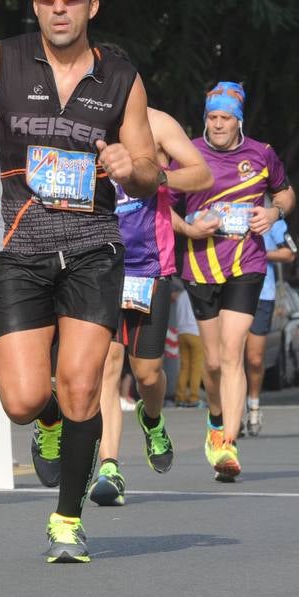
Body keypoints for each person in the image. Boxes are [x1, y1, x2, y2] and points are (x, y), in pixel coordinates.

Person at [0, 0, 160, 563]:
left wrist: (131, 168)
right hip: (19, 248)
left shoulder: (122, 79)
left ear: (93, 4)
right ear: (35, 2)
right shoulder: (1, 60)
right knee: (20, 399)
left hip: (94, 246)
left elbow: (147, 168)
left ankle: (67, 519)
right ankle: (45, 424)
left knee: (81, 386)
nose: (59, 7)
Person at [89, 103, 212, 507]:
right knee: (106, 368)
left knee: (147, 373)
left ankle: (152, 418)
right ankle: (109, 467)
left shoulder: (157, 122)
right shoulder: (80, 121)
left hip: (148, 267)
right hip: (97, 262)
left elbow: (202, 173)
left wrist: (156, 175)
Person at [174, 82, 295, 480]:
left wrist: (273, 215)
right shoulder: (187, 154)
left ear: (238, 120)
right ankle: (215, 418)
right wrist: (190, 231)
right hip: (200, 266)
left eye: (225, 118)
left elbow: (286, 194)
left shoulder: (261, 154)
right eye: (212, 117)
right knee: (211, 362)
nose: (218, 125)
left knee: (232, 351)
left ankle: (228, 442)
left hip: (247, 263)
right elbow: (165, 209)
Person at [241, 210, 296, 436]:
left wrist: (257, 252)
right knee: (231, 356)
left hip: (262, 293)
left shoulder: (270, 217)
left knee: (254, 358)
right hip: (229, 291)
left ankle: (253, 405)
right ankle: (232, 414)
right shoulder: (222, 208)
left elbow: (289, 253)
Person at [171, 280, 204, 406]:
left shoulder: (181, 295)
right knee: (196, 366)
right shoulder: (197, 294)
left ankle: (180, 396)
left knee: (184, 366)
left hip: (182, 332)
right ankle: (194, 397)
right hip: (195, 332)